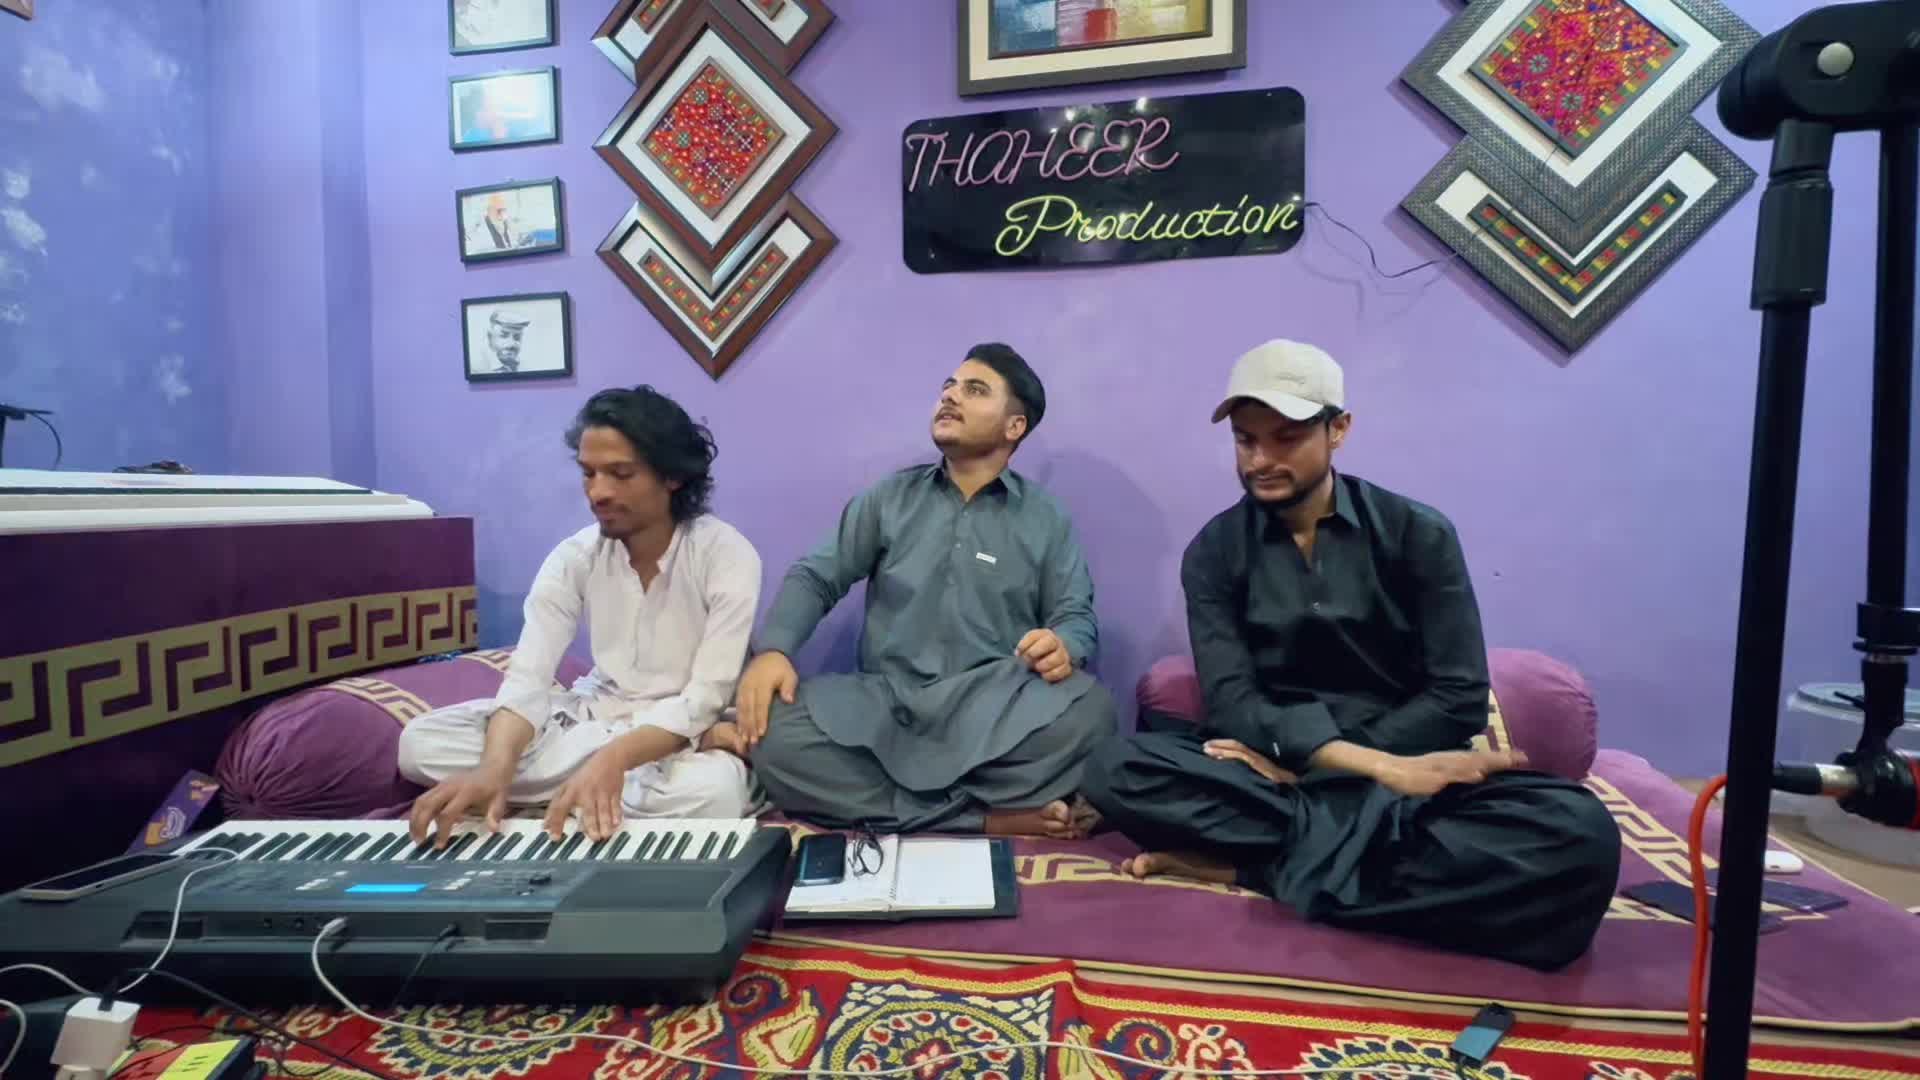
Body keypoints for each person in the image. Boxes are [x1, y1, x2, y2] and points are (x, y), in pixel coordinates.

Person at [1079, 340, 1621, 971]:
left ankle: (1255, 869)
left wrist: (1361, 770)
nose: (1260, 460)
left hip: (1407, 783)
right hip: (1278, 774)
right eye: (1246, 440)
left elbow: (1458, 697)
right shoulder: (1215, 552)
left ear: (1338, 429)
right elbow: (1233, 704)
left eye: (1285, 438)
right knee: (1115, 767)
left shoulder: (1419, 534)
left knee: (1580, 835)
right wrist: (1358, 765)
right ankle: (1344, 868)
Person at [715, 343, 1115, 836]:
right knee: (774, 732)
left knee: (1092, 714)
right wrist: (775, 651)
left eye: (974, 390)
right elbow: (816, 575)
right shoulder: (891, 498)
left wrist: (1064, 645)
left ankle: (910, 810)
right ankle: (983, 819)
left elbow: (1075, 615)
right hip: (888, 705)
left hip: (992, 710)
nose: (950, 397)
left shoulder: (1045, 518)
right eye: (949, 386)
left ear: (1015, 426)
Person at [401, 386, 762, 847]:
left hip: (675, 730)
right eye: (589, 473)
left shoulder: (726, 554)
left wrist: (616, 757)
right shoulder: (573, 557)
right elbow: (528, 681)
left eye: (620, 474)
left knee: (716, 795)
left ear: (672, 476)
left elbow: (704, 698)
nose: (598, 492)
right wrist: (494, 767)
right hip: (596, 715)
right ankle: (582, 789)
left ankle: (578, 786)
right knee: (419, 743)